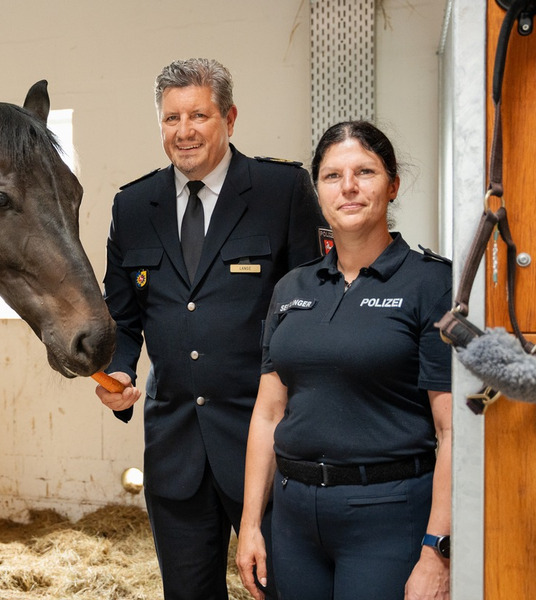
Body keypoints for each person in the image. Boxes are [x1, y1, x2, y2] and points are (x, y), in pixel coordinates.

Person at [94, 58, 326, 600]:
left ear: (229, 117)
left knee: (282, 590)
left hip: (267, 448)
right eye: (171, 118)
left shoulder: (280, 189)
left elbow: (317, 304)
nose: (184, 131)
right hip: (174, 450)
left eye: (198, 115)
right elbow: (122, 317)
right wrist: (121, 370)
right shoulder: (132, 206)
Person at [236, 121, 452, 600]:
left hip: (388, 516)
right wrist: (251, 525)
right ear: (318, 191)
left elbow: (452, 429)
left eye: (365, 172)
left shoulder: (430, 283)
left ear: (392, 185)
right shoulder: (292, 288)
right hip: (294, 521)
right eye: (333, 176)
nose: (348, 187)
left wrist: (437, 551)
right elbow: (269, 412)